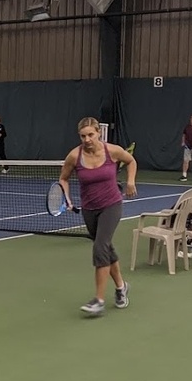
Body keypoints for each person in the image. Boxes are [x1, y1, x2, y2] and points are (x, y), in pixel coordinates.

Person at [58, 116, 138, 316]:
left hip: (111, 205)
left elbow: (131, 161)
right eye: (83, 136)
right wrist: (66, 197)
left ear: (98, 133)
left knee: (100, 247)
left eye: (90, 135)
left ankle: (99, 300)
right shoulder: (74, 156)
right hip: (89, 209)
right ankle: (121, 287)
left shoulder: (112, 151)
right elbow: (63, 178)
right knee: (106, 248)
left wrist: (130, 181)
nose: (87, 139)